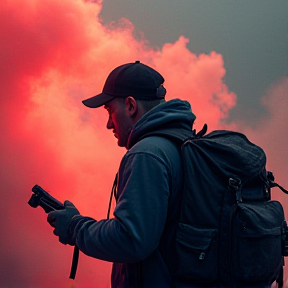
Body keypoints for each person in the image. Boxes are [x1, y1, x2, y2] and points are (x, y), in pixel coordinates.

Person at [47, 60, 197, 287]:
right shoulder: (184, 145)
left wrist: (75, 227)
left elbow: (131, 239)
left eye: (110, 110)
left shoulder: (147, 154)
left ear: (130, 105)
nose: (109, 124)